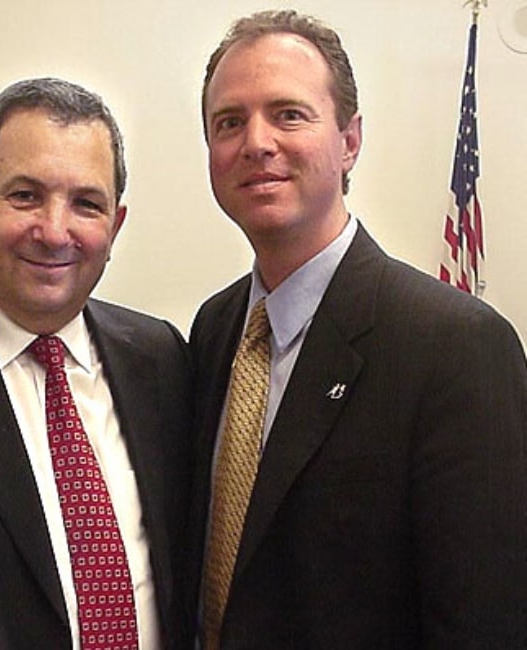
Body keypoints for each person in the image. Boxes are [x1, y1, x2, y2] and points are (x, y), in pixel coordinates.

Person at [189, 10, 527, 649]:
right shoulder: (214, 331)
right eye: (229, 122)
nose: (256, 142)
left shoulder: (455, 347)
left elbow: (486, 622)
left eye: (288, 114)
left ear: (349, 140)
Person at [0, 78, 193, 649]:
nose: (54, 231)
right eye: (25, 195)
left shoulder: (160, 360)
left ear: (115, 226)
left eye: (86, 204)